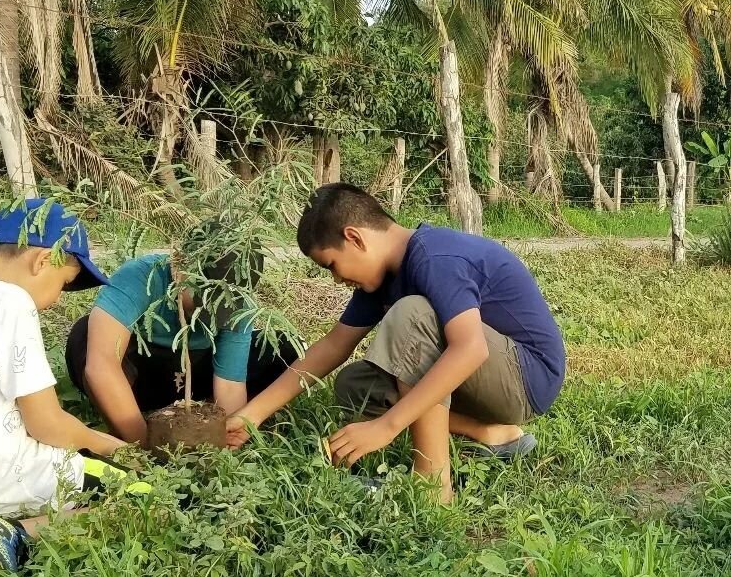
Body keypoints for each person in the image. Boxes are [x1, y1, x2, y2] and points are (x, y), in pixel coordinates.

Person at [226, 184, 566, 504]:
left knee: (411, 314)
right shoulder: (383, 277)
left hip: (525, 378)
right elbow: (333, 346)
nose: (337, 278)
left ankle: (432, 488)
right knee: (355, 384)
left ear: (354, 238)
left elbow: (470, 349)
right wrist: (251, 415)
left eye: (332, 265)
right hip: (489, 377)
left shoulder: (434, 257)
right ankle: (492, 434)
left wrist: (385, 427)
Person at [0, 198, 147, 571]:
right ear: (41, 261)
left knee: (81, 452)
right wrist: (114, 448)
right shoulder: (11, 302)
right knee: (141, 497)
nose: (53, 302)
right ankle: (16, 533)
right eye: (63, 284)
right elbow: (45, 423)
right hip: (0, 476)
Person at [65, 236, 299, 443]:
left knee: (281, 347)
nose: (210, 316)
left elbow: (229, 384)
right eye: (204, 304)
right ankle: (126, 418)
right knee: (86, 334)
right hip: (140, 376)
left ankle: (198, 415)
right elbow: (102, 367)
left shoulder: (239, 305)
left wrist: (219, 435)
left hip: (196, 374)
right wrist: (143, 444)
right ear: (179, 266)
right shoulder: (141, 276)